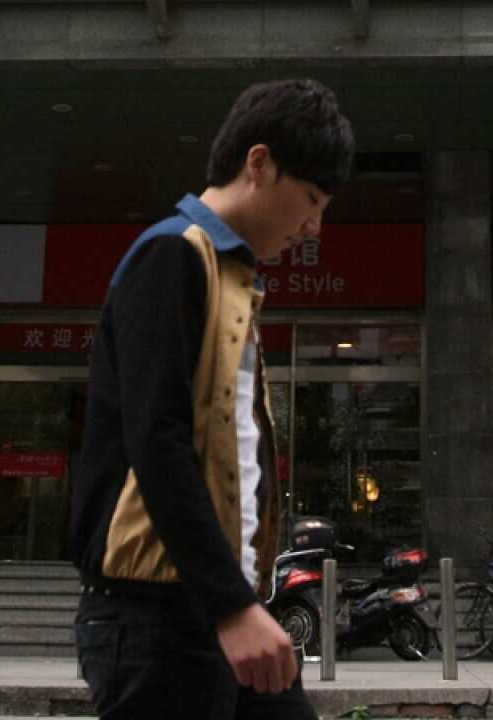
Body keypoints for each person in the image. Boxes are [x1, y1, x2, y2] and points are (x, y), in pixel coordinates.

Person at [68, 78, 354, 719]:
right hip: (156, 615)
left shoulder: (231, 275)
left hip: (222, 606)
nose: (313, 225)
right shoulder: (171, 256)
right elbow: (158, 440)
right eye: (310, 198)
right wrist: (232, 606)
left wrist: (242, 601)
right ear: (259, 164)